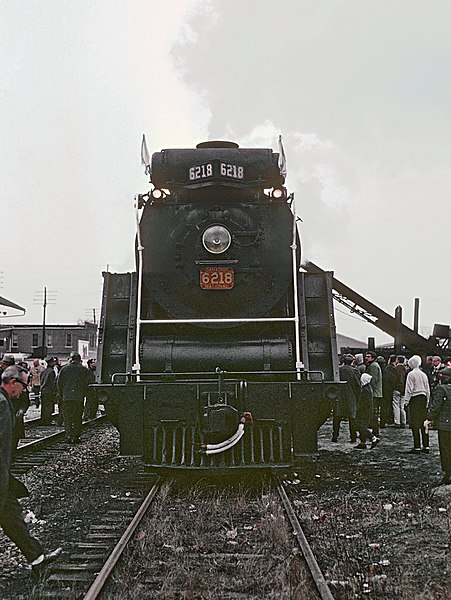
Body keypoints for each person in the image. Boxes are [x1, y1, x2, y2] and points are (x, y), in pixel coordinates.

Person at [0, 365, 62, 578]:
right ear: (12, 382)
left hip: (4, 477)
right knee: (10, 516)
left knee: (12, 517)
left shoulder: (5, 401)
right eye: (24, 385)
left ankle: (38, 559)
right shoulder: (1, 404)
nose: (25, 390)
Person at [57, 353, 91, 443]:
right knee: (77, 417)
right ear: (80, 360)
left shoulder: (64, 369)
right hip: (78, 398)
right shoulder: (84, 370)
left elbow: (59, 383)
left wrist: (62, 395)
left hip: (66, 397)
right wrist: (84, 394)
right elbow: (89, 384)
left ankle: (68, 435)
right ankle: (76, 436)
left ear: (72, 360)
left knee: (67, 418)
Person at [425, 367, 451, 484]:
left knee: (445, 449)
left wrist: (429, 418)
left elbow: (436, 406)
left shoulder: (441, 389)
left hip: (445, 425)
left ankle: (448, 474)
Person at [404, 355, 430, 454]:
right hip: (423, 398)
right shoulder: (424, 374)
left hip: (414, 399)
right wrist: (427, 401)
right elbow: (428, 389)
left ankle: (417, 446)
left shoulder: (411, 374)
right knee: (424, 423)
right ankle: (426, 445)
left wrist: (406, 401)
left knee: (415, 423)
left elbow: (409, 389)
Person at [332, 354, 359, 443]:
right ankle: (353, 437)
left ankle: (335, 436)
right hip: (351, 396)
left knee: (337, 417)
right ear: (352, 361)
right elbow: (357, 385)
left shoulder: (338, 370)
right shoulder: (354, 371)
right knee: (352, 418)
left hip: (339, 396)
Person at [355, 373, 380, 449]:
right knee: (362, 426)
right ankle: (363, 443)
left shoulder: (365, 390)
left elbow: (363, 403)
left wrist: (358, 409)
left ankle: (373, 438)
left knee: (361, 427)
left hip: (364, 412)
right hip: (367, 411)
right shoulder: (368, 388)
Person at [365, 351, 383, 436]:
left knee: (373, 413)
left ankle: (375, 431)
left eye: (368, 356)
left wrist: (369, 390)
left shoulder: (373, 366)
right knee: (373, 413)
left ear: (373, 358)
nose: (366, 358)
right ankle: (374, 431)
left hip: (374, 393)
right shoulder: (374, 365)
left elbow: (373, 380)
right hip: (376, 392)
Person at [40, 357, 58, 425]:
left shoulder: (44, 371)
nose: (54, 363)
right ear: (50, 362)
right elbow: (52, 383)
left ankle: (43, 420)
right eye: (53, 362)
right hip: (49, 392)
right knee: (49, 407)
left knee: (44, 407)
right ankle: (47, 421)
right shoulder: (51, 372)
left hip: (43, 391)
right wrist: (55, 391)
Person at [392, 355, 407, 428]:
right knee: (402, 406)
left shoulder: (395, 369)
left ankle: (397, 422)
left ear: (397, 360)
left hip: (397, 388)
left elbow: (394, 379)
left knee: (396, 405)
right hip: (404, 389)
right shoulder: (405, 369)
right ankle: (403, 421)